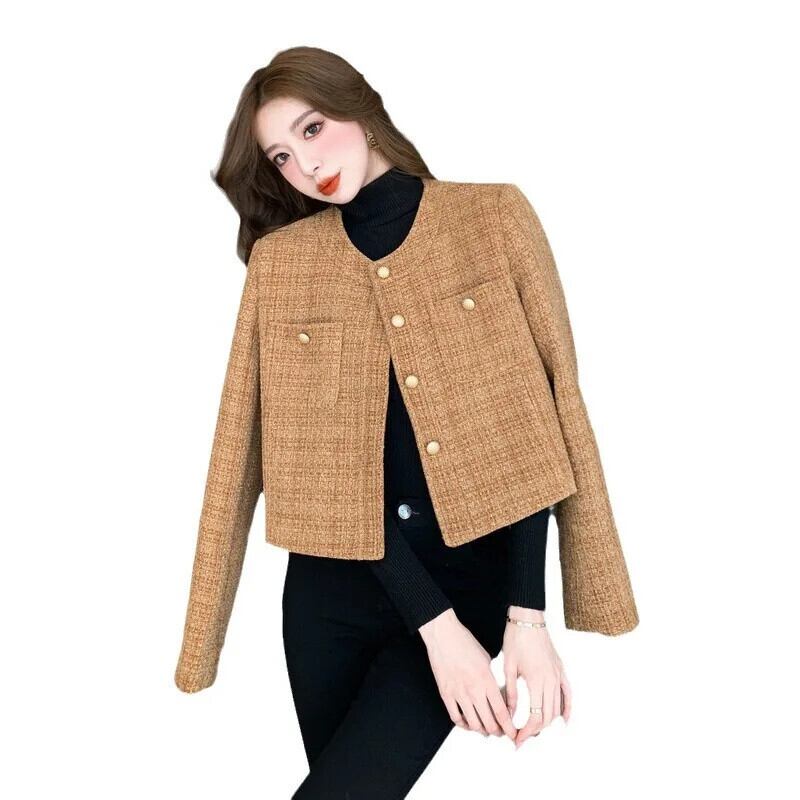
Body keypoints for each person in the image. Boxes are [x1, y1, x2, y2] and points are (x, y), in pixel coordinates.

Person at [174, 46, 638, 798]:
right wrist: (202, 640)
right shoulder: (281, 265)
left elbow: (543, 415)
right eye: (282, 156)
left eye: (313, 128)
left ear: (360, 108)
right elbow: (242, 449)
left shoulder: (492, 218)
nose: (306, 165)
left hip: (469, 577)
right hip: (329, 597)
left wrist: (526, 614)